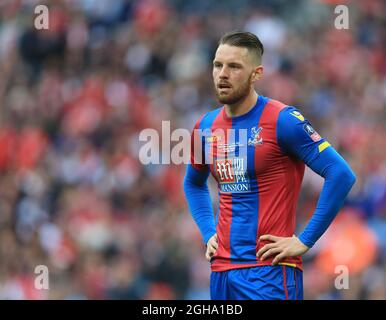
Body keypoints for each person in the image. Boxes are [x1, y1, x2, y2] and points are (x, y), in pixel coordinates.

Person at [183, 30, 356, 300]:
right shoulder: (205, 126)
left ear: (256, 74)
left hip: (269, 273)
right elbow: (193, 183)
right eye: (218, 65)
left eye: (234, 66)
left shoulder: (283, 120)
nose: (222, 74)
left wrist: (304, 240)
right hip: (221, 272)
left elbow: (341, 174)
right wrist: (208, 232)